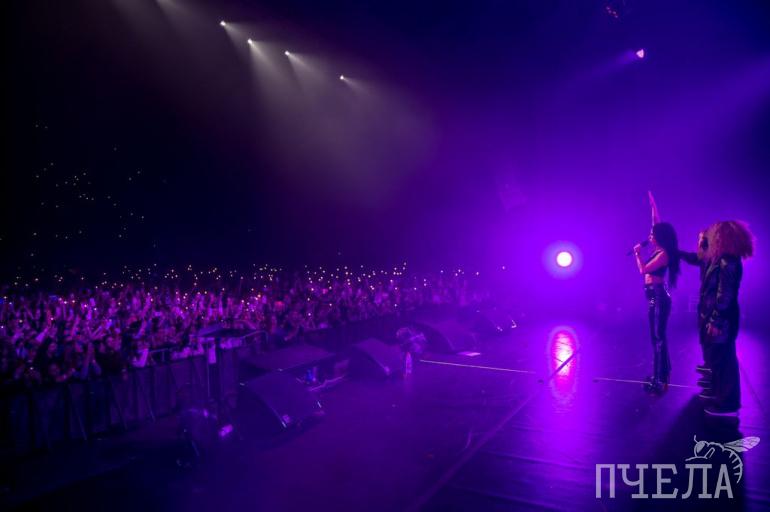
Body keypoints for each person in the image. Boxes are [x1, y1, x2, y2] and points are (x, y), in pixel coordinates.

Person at [697, 220, 754, 417]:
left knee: (724, 360)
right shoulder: (723, 259)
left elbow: (725, 295)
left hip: (722, 319)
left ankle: (728, 405)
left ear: (721, 237)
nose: (710, 237)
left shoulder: (727, 261)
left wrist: (716, 320)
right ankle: (722, 398)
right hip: (720, 316)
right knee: (719, 358)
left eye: (714, 234)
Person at [632, 191, 681, 394]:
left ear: (659, 237)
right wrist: (653, 206)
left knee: (658, 338)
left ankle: (660, 380)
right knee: (656, 338)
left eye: (653, 234)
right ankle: (661, 375)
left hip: (659, 297)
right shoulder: (659, 249)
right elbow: (656, 223)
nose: (650, 235)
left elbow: (643, 270)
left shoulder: (663, 254)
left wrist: (637, 254)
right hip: (653, 296)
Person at [680, 231, 711, 388]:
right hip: (705, 301)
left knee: (710, 337)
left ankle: (713, 372)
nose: (698, 242)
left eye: (700, 239)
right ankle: (708, 366)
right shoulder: (704, 257)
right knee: (704, 335)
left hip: (711, 304)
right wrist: (678, 253)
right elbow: (693, 258)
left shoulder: (713, 258)